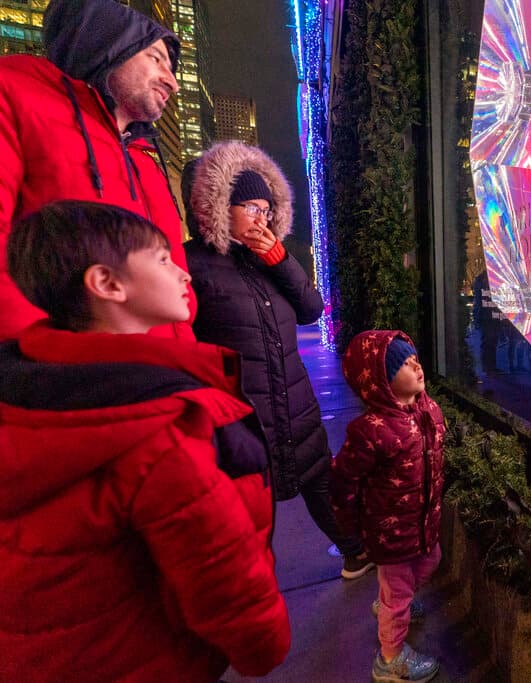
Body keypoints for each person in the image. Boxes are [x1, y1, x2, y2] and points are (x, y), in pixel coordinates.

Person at [0, 201, 290, 681]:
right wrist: (265, 645)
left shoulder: (29, 388)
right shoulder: (158, 426)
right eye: (161, 259)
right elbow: (221, 574)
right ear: (108, 284)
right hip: (151, 658)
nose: (182, 274)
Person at [185, 141, 372, 578]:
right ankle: (254, 589)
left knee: (321, 484)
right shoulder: (193, 264)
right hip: (244, 417)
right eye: (249, 206)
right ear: (218, 207)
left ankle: (355, 552)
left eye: (266, 209)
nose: (260, 218)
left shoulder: (271, 260)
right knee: (253, 509)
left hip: (295, 404)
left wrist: (279, 259)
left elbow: (311, 308)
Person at [0, 0, 192, 341]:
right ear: (109, 46)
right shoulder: (15, 93)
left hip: (159, 368)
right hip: (69, 375)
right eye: (156, 58)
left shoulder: (144, 157)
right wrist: (38, 359)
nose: (172, 83)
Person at [332, 330, 446, 683]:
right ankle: (390, 659)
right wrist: (350, 525)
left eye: (414, 357)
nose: (416, 365)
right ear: (380, 382)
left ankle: (391, 604)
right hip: (392, 533)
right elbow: (344, 479)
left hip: (423, 522)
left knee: (432, 560)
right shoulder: (371, 431)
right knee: (398, 591)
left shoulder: (427, 410)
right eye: (402, 363)